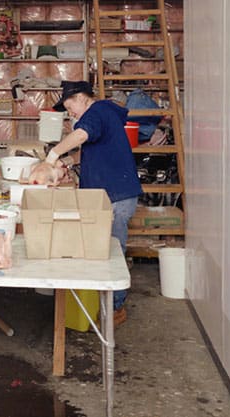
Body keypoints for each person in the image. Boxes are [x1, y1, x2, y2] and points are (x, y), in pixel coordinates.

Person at [45, 80, 142, 327]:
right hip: (109, 195)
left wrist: (53, 155)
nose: (70, 114)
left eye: (70, 107)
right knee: (103, 251)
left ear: (81, 98)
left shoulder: (98, 111)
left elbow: (80, 135)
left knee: (112, 252)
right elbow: (88, 151)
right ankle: (100, 304)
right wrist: (66, 163)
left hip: (116, 197)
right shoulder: (104, 115)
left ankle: (115, 309)